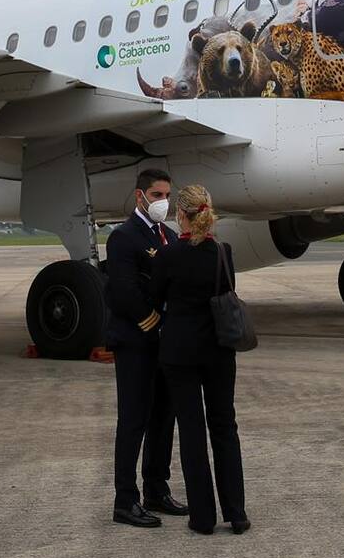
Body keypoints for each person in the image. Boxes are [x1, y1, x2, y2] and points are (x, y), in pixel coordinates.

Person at [149, 184, 249, 536]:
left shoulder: (167, 256)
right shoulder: (223, 252)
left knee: (192, 432)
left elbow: (155, 297)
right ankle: (236, 513)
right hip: (219, 350)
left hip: (180, 352)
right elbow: (226, 290)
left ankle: (203, 518)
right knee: (224, 427)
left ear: (180, 214)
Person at [104, 168, 188, 527]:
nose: (163, 202)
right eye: (157, 195)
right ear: (140, 196)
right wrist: (154, 321)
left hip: (163, 344)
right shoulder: (123, 237)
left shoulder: (168, 236)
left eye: (167, 195)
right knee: (133, 419)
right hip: (136, 341)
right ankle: (125, 500)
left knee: (162, 418)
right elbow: (124, 291)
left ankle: (156, 489)